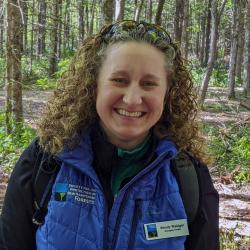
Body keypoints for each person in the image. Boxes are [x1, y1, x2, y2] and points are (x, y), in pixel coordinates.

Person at [0, 20, 219, 250]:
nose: (133, 99)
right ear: (95, 85)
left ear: (167, 94)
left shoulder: (188, 176)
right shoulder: (46, 160)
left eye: (149, 84)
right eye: (119, 80)